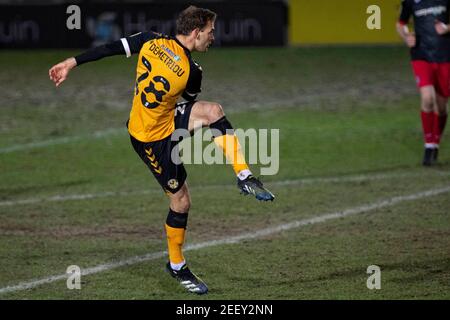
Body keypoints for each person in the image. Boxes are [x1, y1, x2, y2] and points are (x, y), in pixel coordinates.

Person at [49, 6, 274, 295]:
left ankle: (243, 175)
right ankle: (177, 266)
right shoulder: (193, 72)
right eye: (210, 32)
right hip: (149, 140)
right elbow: (187, 96)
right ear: (196, 32)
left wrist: (71, 63)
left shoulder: (149, 40)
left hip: (165, 122)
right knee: (181, 203)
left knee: (213, 112)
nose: (213, 38)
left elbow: (109, 48)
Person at [396, 0, 450, 166]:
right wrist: (406, 36)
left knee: (441, 108)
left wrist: (447, 28)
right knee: (427, 99)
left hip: (445, 56)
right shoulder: (411, 1)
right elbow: (401, 23)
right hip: (421, 55)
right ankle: (428, 146)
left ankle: (435, 143)